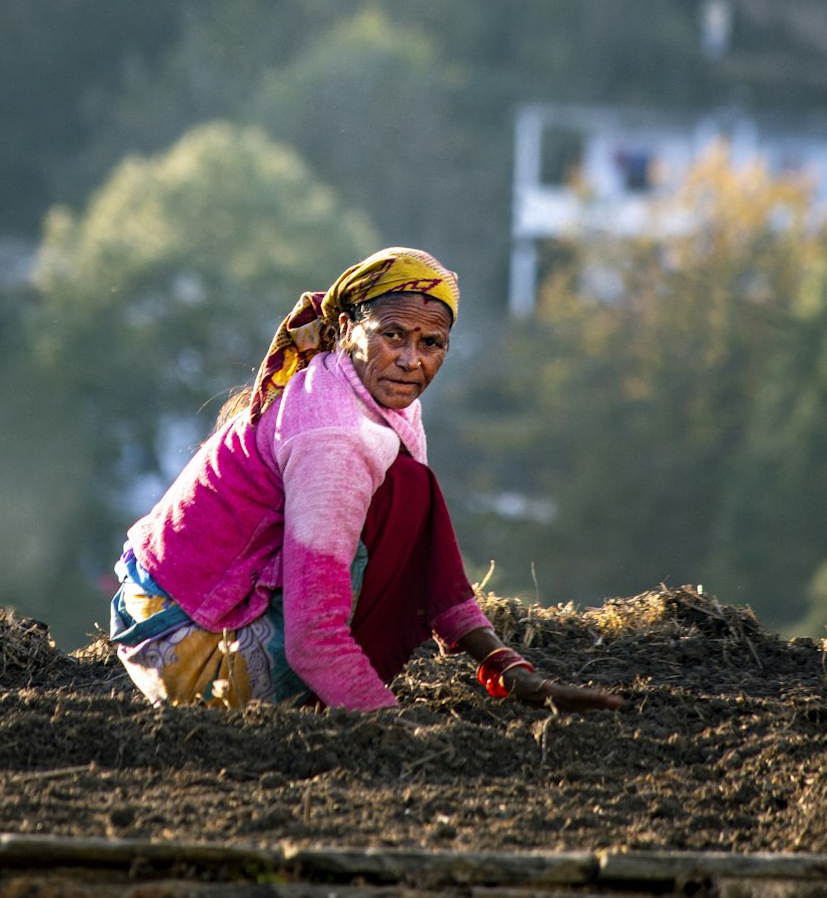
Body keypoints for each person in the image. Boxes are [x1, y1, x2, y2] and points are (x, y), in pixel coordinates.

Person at [110, 247, 622, 715]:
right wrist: (388, 724)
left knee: (407, 491)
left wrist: (507, 667)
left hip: (175, 607)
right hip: (188, 653)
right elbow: (313, 639)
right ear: (347, 329)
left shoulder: (372, 396)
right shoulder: (334, 436)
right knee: (404, 493)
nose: (411, 360)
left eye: (431, 343)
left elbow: (426, 549)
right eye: (392, 334)